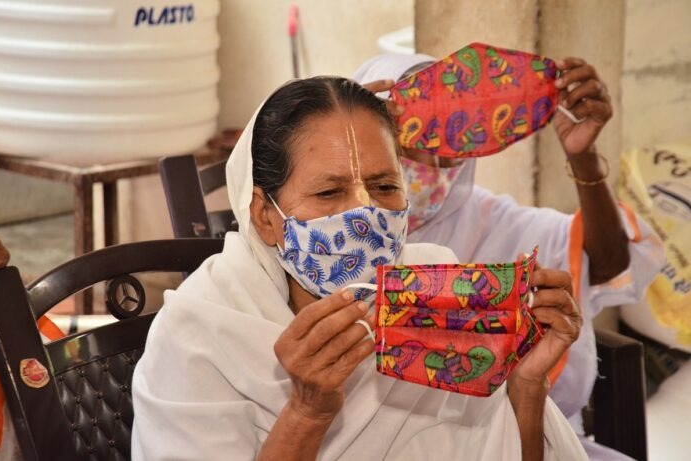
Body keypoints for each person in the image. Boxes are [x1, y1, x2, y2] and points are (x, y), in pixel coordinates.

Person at [132, 77, 588, 460]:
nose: (366, 215)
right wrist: (307, 413)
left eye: (384, 185)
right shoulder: (200, 334)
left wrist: (527, 386)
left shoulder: (441, 296)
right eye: (330, 194)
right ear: (265, 216)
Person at [354, 53, 666, 460]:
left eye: (447, 140)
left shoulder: (491, 222)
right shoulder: (335, 233)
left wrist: (583, 157)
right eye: (411, 138)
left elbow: (609, 264)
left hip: (519, 433)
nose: (431, 164)